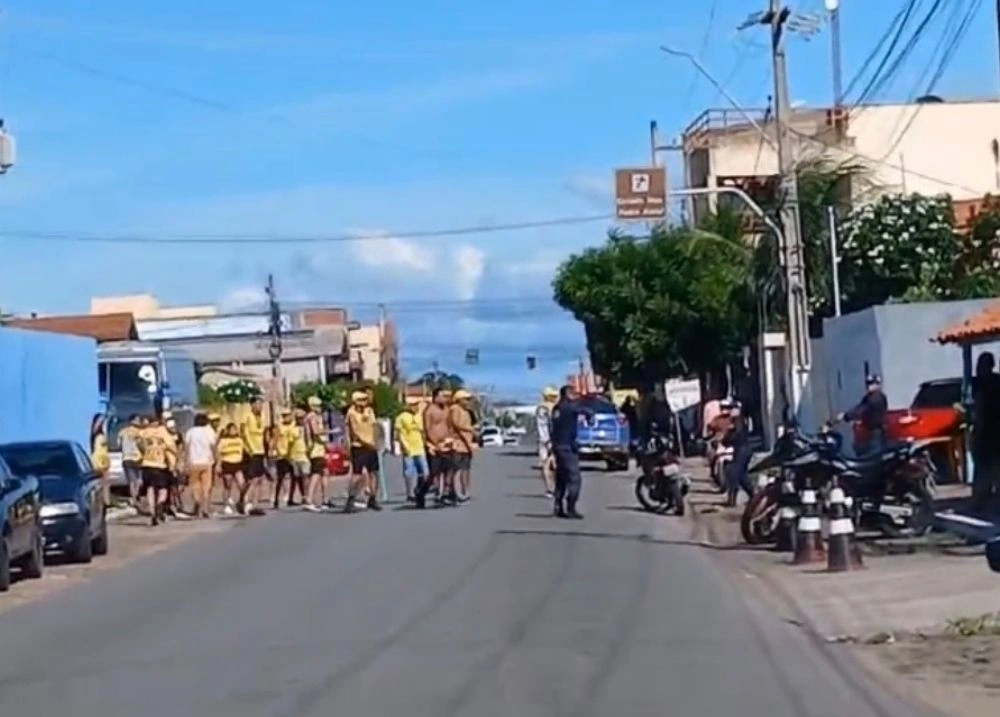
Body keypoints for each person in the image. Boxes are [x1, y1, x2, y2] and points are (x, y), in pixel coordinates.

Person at [550, 384, 593, 519]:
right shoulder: (569, 407)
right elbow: (586, 411)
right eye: (573, 393)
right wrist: (590, 417)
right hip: (567, 447)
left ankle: (558, 506)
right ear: (567, 394)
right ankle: (570, 507)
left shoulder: (557, 408)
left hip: (558, 446)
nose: (575, 396)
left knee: (561, 478)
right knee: (575, 478)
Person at [416, 388, 455, 509]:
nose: (445, 399)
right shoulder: (429, 411)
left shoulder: (447, 410)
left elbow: (449, 426)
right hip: (433, 446)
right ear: (436, 397)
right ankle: (421, 493)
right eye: (443, 396)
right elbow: (427, 429)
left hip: (446, 445)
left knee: (449, 469)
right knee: (434, 473)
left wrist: (450, 439)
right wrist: (435, 443)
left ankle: (444, 495)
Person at [971, 352, 1000, 514]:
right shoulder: (998, 381)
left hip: (987, 435)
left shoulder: (982, 385)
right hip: (996, 434)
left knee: (983, 472)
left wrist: (976, 433)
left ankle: (979, 505)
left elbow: (980, 411)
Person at [345, 390, 382, 513]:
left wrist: (377, 442)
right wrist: (368, 443)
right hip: (359, 447)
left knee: (374, 473)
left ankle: (372, 498)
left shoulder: (369, 411)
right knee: (357, 475)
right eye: (361, 400)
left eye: (365, 400)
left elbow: (375, 426)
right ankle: (351, 499)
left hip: (371, 446)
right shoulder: (351, 413)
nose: (364, 402)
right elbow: (355, 432)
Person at [139, 413, 176, 526]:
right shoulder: (163, 432)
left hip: (146, 464)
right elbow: (171, 446)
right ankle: (160, 504)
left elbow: (139, 446)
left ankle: (152, 511)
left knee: (150, 488)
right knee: (163, 489)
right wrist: (173, 460)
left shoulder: (143, 433)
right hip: (160, 465)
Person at [839, 374, 889, 456]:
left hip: (876, 432)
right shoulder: (869, 397)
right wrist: (846, 415)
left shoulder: (876, 398)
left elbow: (862, 410)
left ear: (878, 385)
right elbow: (859, 407)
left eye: (872, 383)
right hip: (870, 431)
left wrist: (846, 416)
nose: (869, 386)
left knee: (873, 456)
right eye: (868, 383)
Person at [184, 413, 217, 518]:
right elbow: (213, 446)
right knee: (206, 487)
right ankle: (205, 509)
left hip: (193, 462)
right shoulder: (209, 431)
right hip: (207, 462)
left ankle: (197, 502)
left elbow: (187, 447)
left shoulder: (190, 432)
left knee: (195, 485)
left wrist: (185, 461)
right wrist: (216, 458)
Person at [394, 399, 428, 502]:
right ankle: (410, 493)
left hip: (420, 448)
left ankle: (419, 489)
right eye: (413, 405)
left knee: (425, 472)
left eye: (416, 405)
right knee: (409, 472)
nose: (415, 407)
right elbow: (398, 433)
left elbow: (423, 431)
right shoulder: (401, 417)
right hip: (408, 448)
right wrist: (403, 446)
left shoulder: (419, 416)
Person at [721, 401, 754, 508]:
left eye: (732, 408)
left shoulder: (739, 420)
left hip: (742, 450)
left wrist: (727, 439)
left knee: (734, 473)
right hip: (742, 450)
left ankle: (732, 500)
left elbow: (736, 436)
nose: (729, 411)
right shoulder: (737, 421)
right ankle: (752, 496)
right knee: (742, 476)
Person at [241, 398, 268, 515]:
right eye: (257, 404)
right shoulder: (246, 416)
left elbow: (264, 433)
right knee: (251, 479)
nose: (260, 406)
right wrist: (248, 449)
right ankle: (245, 501)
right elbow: (243, 433)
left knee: (259, 479)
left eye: (261, 404)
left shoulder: (262, 417)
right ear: (251, 405)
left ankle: (255, 504)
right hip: (251, 451)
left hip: (260, 450)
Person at [450, 389, 477, 503]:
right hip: (458, 444)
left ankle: (466, 491)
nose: (467, 401)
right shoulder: (455, 409)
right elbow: (457, 425)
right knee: (457, 470)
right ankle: (456, 493)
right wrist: (470, 430)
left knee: (466, 469)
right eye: (465, 399)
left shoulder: (466, 411)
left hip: (466, 445)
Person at [304, 396, 329, 512]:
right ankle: (309, 499)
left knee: (324, 472)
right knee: (316, 474)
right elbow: (315, 431)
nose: (320, 408)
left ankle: (325, 500)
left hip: (320, 448)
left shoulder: (316, 416)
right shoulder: (312, 417)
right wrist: (330, 431)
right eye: (318, 406)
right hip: (315, 449)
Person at [217, 422, 246, 515]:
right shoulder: (223, 441)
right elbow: (218, 453)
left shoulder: (240, 440)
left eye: (235, 429)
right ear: (228, 430)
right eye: (231, 429)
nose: (233, 431)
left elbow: (244, 450)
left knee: (242, 484)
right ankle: (226, 505)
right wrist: (218, 464)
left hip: (237, 463)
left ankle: (241, 502)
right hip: (227, 463)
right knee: (228, 486)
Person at [119, 414, 145, 510]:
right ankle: (136, 496)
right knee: (138, 480)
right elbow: (141, 445)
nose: (139, 422)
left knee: (131, 481)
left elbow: (119, 445)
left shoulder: (122, 432)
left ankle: (133, 498)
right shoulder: (138, 432)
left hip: (126, 458)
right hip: (137, 458)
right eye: (138, 420)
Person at [535, 387, 557, 497]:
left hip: (542, 439)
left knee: (545, 464)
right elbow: (552, 425)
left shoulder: (539, 408)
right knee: (554, 464)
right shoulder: (551, 409)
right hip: (551, 440)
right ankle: (556, 488)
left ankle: (549, 489)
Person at [90, 414, 111, 508]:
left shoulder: (102, 434)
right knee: (103, 481)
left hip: (104, 458)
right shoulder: (96, 435)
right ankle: (105, 501)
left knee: (105, 481)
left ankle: (106, 501)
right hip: (99, 459)